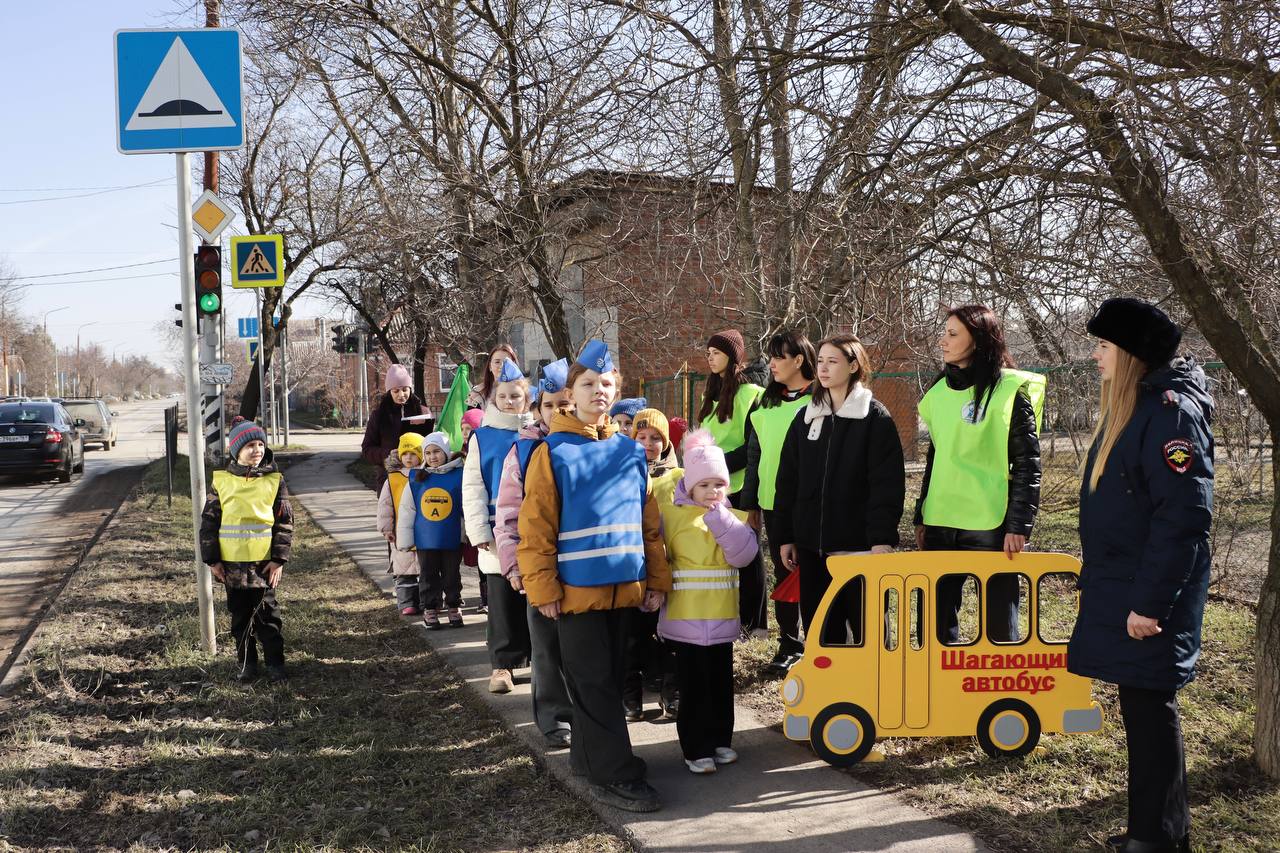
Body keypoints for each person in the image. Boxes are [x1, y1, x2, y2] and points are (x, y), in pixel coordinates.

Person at [1068, 299, 1212, 853]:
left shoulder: (1170, 414)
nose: (1095, 355)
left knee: (1151, 714)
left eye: (1103, 345)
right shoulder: (1140, 406)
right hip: (1126, 587)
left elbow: (1183, 520)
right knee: (1144, 712)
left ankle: (1155, 839)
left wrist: (1149, 605)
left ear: (1130, 353)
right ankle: (1154, 832)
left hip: (1149, 597)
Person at [517, 340, 671, 813]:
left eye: (607, 383)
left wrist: (657, 581)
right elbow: (536, 526)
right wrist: (541, 587)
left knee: (608, 677)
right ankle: (617, 774)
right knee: (594, 683)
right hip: (574, 595)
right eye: (588, 384)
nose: (598, 391)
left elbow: (649, 525)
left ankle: (587, 759)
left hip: (625, 592)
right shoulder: (551, 452)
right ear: (572, 393)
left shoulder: (629, 452)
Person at [914, 305, 1045, 643]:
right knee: (935, 622)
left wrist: (1019, 525)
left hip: (990, 523)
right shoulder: (936, 392)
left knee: (1000, 625)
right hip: (941, 520)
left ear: (980, 340)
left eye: (953, 334)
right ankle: (943, 689)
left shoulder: (1009, 391)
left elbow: (1028, 463)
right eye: (944, 332)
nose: (942, 340)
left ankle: (1002, 689)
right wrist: (921, 514)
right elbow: (935, 457)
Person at [774, 334, 905, 643]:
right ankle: (834, 694)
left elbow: (887, 485)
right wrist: (786, 536)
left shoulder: (875, 418)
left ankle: (877, 693)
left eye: (832, 361)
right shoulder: (804, 419)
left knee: (872, 639)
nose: (823, 368)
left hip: (860, 551)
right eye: (820, 361)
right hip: (812, 552)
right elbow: (787, 481)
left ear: (853, 365)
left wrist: (881, 540)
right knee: (823, 641)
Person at [657, 430, 759, 774]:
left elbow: (744, 555)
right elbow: (659, 559)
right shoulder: (671, 518)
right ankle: (695, 748)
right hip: (685, 621)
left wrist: (721, 519)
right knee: (693, 688)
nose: (712, 491)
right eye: (704, 485)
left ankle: (720, 741)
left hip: (721, 619)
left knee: (719, 686)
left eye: (719, 484)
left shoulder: (734, 519)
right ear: (689, 487)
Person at [493, 358, 576, 749]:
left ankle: (586, 711)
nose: (560, 412)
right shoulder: (524, 451)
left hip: (582, 562)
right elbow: (508, 513)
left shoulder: (591, 441)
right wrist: (512, 564)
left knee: (582, 644)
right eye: (551, 405)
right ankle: (554, 715)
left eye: (567, 404)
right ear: (538, 408)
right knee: (545, 645)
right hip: (539, 563)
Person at [740, 331, 815, 677]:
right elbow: (755, 454)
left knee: (812, 575)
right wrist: (752, 502)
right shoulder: (765, 403)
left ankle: (819, 643)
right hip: (773, 504)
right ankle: (789, 643)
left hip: (811, 504)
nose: (771, 363)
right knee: (784, 576)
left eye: (778, 356)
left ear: (799, 360)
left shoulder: (820, 399)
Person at [200, 420, 294, 682]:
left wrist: (278, 559)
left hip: (263, 565)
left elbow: (284, 523)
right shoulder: (222, 482)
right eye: (251, 445)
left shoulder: (275, 481)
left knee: (267, 616)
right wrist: (212, 560)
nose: (257, 450)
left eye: (261, 444)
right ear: (237, 450)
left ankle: (276, 663)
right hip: (231, 567)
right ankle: (246, 663)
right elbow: (209, 523)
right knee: (240, 619)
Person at [463, 358, 533, 693]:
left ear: (526, 399)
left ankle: (536, 660)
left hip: (534, 529)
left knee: (533, 596)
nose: (509, 402)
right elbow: (473, 486)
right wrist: (478, 532)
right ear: (494, 398)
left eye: (515, 397)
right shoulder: (482, 437)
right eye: (503, 396)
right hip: (496, 531)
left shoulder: (537, 433)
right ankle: (502, 665)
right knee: (503, 601)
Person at [698, 329, 766, 634]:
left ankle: (756, 624)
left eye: (717, 352)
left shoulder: (752, 394)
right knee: (723, 557)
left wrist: (716, 467)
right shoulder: (710, 394)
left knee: (749, 555)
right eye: (708, 353)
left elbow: (753, 445)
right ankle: (732, 620)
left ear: (734, 356)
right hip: (713, 490)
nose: (711, 358)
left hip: (739, 486)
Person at [623, 407, 681, 721]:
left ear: (666, 442)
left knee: (669, 635)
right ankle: (630, 697)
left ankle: (671, 692)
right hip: (635, 565)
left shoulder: (677, 477)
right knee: (632, 637)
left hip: (669, 563)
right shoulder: (623, 472)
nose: (648, 443)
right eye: (641, 436)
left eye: (656, 437)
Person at [396, 432, 467, 629]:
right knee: (428, 574)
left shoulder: (459, 475)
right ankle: (430, 607)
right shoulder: (417, 478)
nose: (432, 457)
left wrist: (468, 531)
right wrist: (404, 539)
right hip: (425, 538)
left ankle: (453, 605)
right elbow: (407, 510)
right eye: (427, 453)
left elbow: (466, 506)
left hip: (452, 536)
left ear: (445, 452)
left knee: (452, 573)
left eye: (437, 452)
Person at [361, 363, 433, 491]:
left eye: (405, 389)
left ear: (410, 389)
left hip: (419, 478)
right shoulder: (379, 415)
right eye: (396, 391)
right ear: (389, 392)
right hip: (389, 479)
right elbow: (367, 449)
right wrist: (387, 455)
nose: (401, 395)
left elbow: (432, 443)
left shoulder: (423, 412)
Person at [378, 432, 426, 615]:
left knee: (425, 570)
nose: (408, 457)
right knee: (404, 569)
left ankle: (426, 601)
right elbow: (385, 505)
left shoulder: (426, 475)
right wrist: (386, 528)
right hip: (400, 532)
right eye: (405, 453)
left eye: (413, 453)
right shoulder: (393, 478)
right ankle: (407, 602)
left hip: (424, 531)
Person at [460, 408, 486, 612]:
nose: (466, 433)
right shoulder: (458, 454)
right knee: (477, 559)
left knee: (486, 560)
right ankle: (483, 597)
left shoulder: (483, 450)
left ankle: (487, 599)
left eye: (470, 428)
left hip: (484, 511)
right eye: (463, 429)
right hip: (467, 512)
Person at [468, 344, 520, 409]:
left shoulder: (525, 392)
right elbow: (472, 417)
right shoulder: (478, 394)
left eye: (506, 362)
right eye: (497, 362)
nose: (502, 366)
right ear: (490, 366)